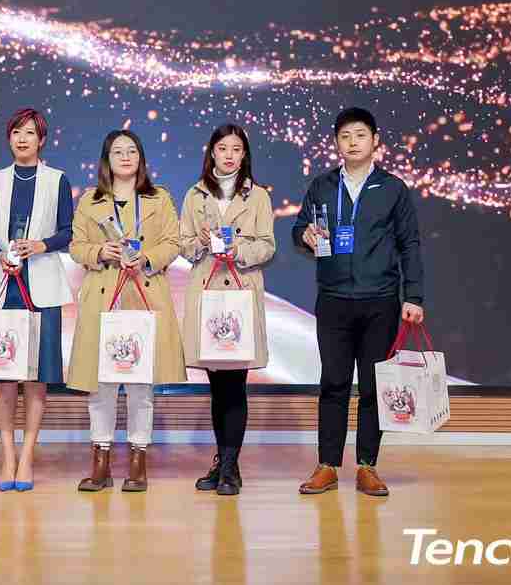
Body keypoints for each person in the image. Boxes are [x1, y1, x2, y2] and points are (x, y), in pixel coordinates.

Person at [291, 107, 424, 497]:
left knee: (371, 386)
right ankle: (328, 465)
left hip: (380, 300)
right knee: (333, 383)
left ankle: (367, 466)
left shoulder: (392, 188)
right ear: (337, 143)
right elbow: (299, 228)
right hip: (333, 298)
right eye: (345, 136)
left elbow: (410, 244)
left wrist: (414, 296)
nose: (353, 142)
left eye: (360, 135)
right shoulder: (322, 185)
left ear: (375, 141)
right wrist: (305, 236)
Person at [67, 129, 186, 492]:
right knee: (100, 385)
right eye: (117, 151)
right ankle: (100, 463)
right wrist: (99, 252)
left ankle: (138, 462)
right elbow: (76, 246)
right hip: (103, 297)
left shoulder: (159, 198)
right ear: (107, 159)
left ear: (140, 158)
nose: (125, 157)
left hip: (143, 293)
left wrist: (146, 258)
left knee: (140, 384)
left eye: (131, 150)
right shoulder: (90, 200)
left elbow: (173, 242)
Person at [0, 108, 75, 492]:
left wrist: (41, 245)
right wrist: (0, 253)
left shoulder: (57, 180)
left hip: (42, 287)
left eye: (30, 133)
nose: (22, 138)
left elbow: (68, 230)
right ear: (9, 138)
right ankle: (7, 457)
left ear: (41, 140)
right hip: (4, 287)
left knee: (36, 378)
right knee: (4, 379)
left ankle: (28, 455)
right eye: (16, 132)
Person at [178, 123, 277, 496]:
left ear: (244, 154)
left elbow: (267, 245)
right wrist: (201, 243)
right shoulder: (195, 194)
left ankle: (231, 466)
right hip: (207, 294)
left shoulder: (258, 196)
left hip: (240, 292)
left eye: (236, 149)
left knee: (235, 384)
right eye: (223, 148)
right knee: (217, 386)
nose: (229, 155)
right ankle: (222, 461)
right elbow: (183, 244)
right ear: (212, 153)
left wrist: (240, 250)